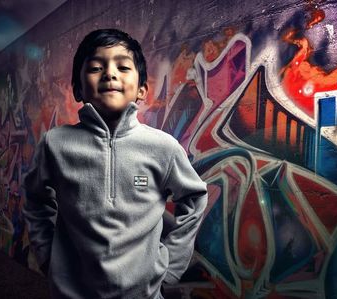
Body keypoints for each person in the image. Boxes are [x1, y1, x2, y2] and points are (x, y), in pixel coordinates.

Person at [23, 28, 208, 299]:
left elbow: (194, 198)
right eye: (96, 67)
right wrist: (48, 257)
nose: (110, 73)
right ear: (77, 89)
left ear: (142, 89)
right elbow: (35, 200)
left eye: (123, 67)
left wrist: (171, 267)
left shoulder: (163, 147)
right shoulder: (54, 144)